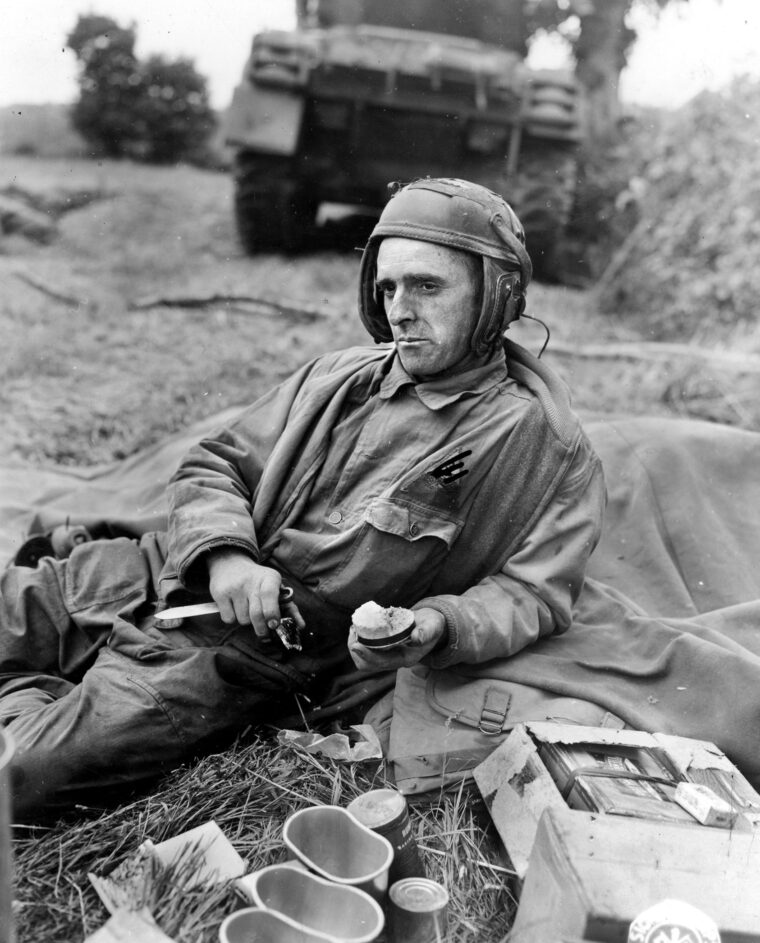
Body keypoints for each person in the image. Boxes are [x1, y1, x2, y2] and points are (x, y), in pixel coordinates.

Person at [0, 177, 604, 821]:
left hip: (244, 656)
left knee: (20, 776)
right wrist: (227, 557)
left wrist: (437, 624)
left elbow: (533, 594)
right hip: (166, 570)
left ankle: (37, 703)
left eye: (427, 286)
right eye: (388, 288)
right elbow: (216, 462)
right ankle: (35, 690)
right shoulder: (335, 376)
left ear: (496, 295)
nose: (400, 310)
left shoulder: (546, 449)